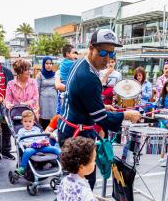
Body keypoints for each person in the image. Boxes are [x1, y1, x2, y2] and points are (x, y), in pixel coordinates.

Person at [57, 28, 141, 189]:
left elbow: (80, 100)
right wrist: (127, 115)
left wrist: (100, 106)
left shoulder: (80, 63)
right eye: (103, 53)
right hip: (77, 137)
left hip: (68, 130)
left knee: (71, 182)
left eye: (112, 54)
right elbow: (102, 119)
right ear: (91, 48)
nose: (108, 59)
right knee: (84, 184)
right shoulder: (89, 77)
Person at [15, 110, 61, 175]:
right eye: (25, 121)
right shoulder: (21, 131)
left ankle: (59, 163)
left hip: (41, 147)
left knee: (55, 149)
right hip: (31, 147)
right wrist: (26, 144)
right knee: (27, 152)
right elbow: (20, 142)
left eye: (30, 121)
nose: (28, 123)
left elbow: (43, 137)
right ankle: (23, 168)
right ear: (22, 122)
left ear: (33, 122)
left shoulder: (37, 129)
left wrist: (44, 141)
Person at [36, 57, 57, 129]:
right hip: (43, 101)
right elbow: (37, 89)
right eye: (47, 63)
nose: (49, 65)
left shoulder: (55, 75)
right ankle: (45, 137)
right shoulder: (39, 75)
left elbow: (58, 87)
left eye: (50, 63)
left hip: (54, 101)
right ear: (43, 64)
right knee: (45, 120)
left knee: (54, 120)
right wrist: (37, 104)